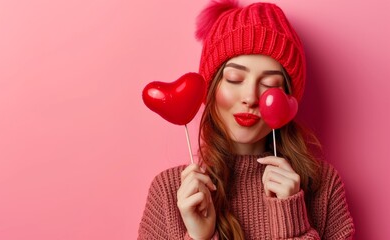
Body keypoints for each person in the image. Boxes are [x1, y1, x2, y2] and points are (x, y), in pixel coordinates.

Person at [138, 0, 355, 239]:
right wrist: (200, 237)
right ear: (211, 88)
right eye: (234, 78)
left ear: (289, 99)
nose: (250, 97)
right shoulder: (170, 192)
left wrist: (292, 222)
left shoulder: (323, 186)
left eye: (270, 84)